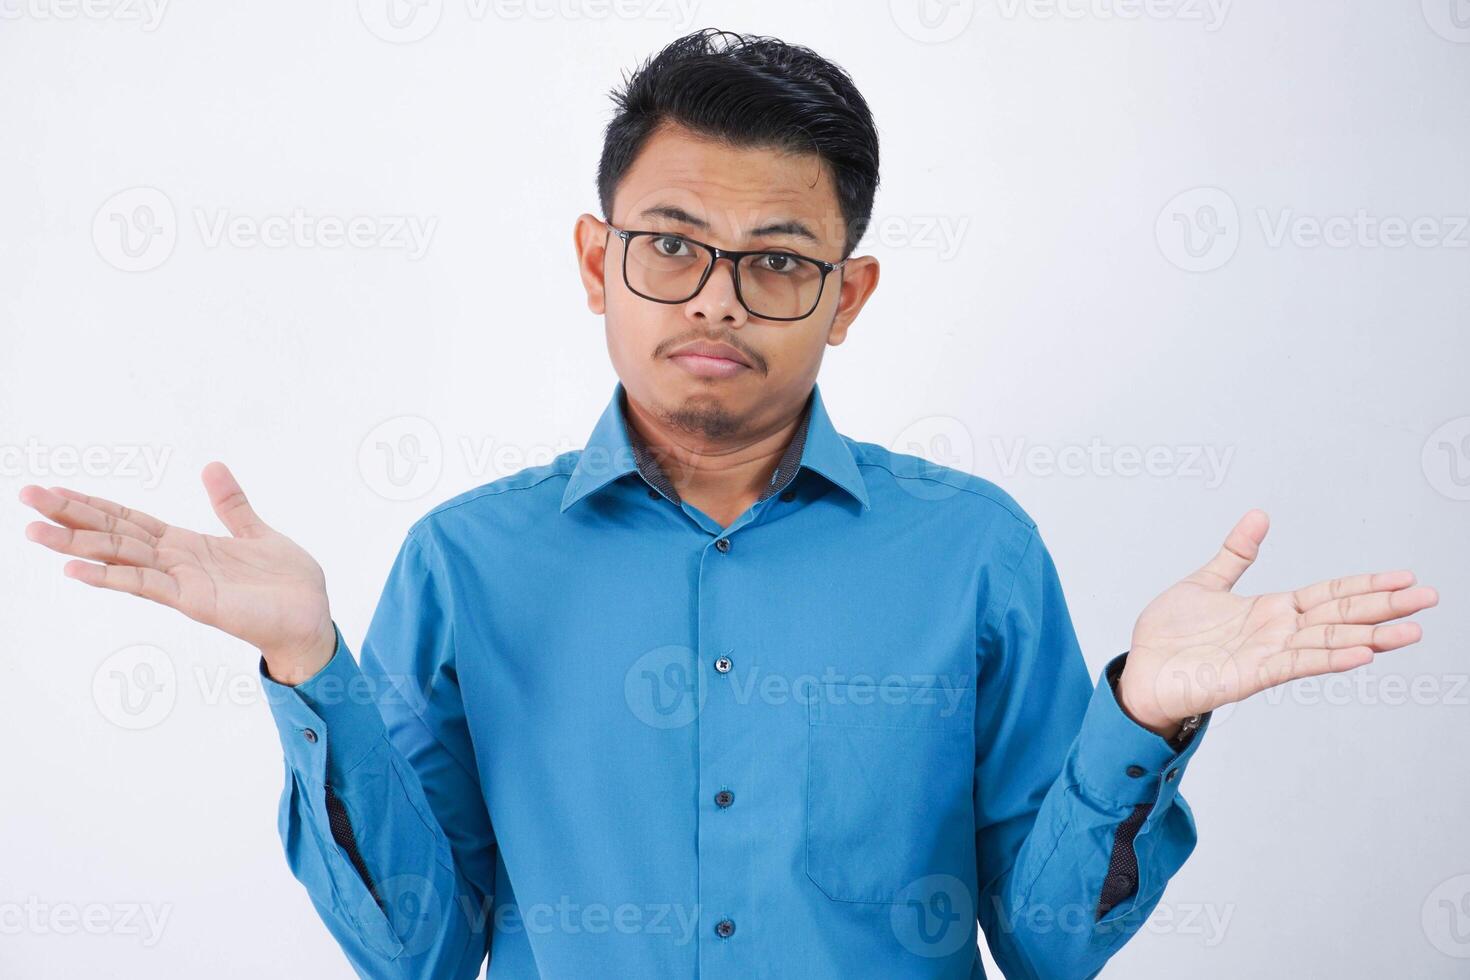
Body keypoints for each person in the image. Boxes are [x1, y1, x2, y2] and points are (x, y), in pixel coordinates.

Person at [19, 27, 1436, 980]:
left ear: (847, 293)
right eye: (670, 246)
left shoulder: (971, 550)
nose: (712, 295)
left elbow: (1052, 942)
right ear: (594, 259)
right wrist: (307, 666)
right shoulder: (466, 559)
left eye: (773, 259)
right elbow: (420, 951)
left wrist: (1140, 716)